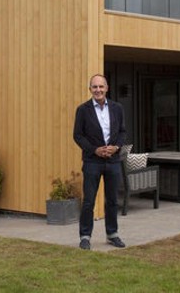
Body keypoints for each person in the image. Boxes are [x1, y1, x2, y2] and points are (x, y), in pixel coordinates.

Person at [73, 74, 127, 250]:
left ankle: (112, 234)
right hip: (92, 162)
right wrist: (94, 150)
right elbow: (78, 135)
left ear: (107, 88)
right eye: (94, 87)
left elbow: (122, 132)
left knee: (112, 200)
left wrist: (116, 147)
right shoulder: (83, 110)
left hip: (112, 161)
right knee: (89, 201)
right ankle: (85, 236)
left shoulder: (117, 108)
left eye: (101, 87)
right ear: (90, 89)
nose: (98, 90)